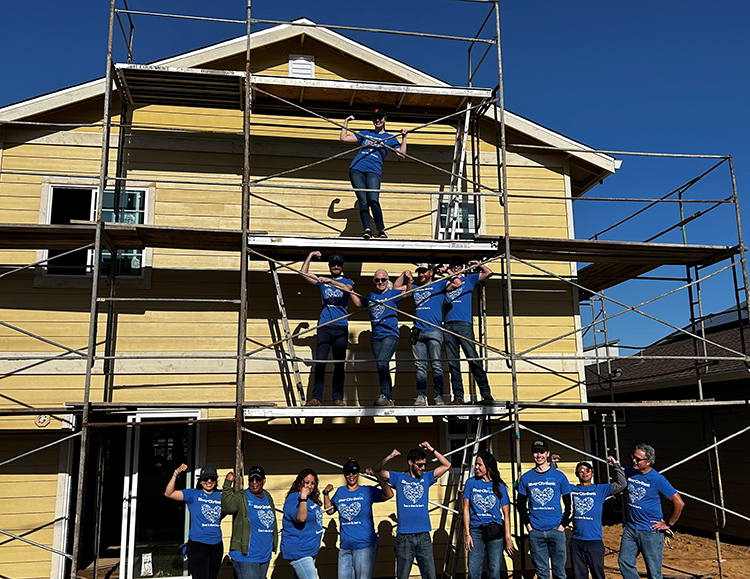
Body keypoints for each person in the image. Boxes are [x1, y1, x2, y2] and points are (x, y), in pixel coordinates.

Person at [372, 442, 452, 579]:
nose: (422, 468)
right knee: (403, 575)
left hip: (423, 535)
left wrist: (432, 449)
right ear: (410, 463)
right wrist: (390, 456)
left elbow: (447, 465)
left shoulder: (426, 478)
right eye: (419, 465)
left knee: (430, 575)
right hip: (404, 537)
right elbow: (376, 470)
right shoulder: (399, 478)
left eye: (424, 465)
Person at [618, 444, 685, 579]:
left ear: (648, 462)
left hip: (651, 531)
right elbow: (618, 475)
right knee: (624, 561)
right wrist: (614, 464)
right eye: (633, 457)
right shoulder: (630, 472)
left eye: (638, 459)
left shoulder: (657, 479)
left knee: (654, 572)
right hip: (631, 529)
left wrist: (669, 524)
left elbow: (679, 502)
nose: (634, 461)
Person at [340, 107, 407, 239]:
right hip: (356, 169)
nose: (378, 120)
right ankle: (367, 230)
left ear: (384, 119)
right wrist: (346, 122)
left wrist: (404, 138)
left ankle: (381, 230)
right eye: (375, 118)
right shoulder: (366, 133)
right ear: (372, 120)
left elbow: (402, 155)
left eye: (380, 118)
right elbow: (344, 139)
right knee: (363, 201)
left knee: (373, 200)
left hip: (374, 171)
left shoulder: (390, 138)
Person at [323, 458, 394, 579]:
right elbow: (330, 510)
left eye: (354, 472)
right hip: (345, 546)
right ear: (345, 475)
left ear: (358, 474)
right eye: (348, 473)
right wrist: (325, 494)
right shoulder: (340, 492)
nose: (351, 476)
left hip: (364, 546)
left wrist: (377, 475)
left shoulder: (366, 490)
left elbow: (389, 494)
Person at [300, 251, 356, 406]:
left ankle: (337, 398)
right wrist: (310, 255)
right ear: (329, 266)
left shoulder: (347, 280)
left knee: (339, 364)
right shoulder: (322, 281)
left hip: (340, 327)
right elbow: (302, 273)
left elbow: (348, 289)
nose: (336, 266)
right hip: (324, 327)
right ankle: (316, 398)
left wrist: (330, 282)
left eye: (338, 264)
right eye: (333, 264)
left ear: (342, 266)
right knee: (320, 363)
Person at [517, 440, 572, 579]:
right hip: (536, 531)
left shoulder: (560, 476)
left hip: (556, 530)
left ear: (547, 454)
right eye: (536, 452)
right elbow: (521, 505)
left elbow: (569, 504)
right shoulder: (526, 478)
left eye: (542, 452)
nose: (539, 455)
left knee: (559, 572)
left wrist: (562, 526)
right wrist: (529, 526)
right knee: (542, 573)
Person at [443, 257, 493, 404]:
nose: (457, 267)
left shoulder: (469, 279)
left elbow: (488, 273)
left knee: (472, 357)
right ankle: (458, 396)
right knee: (453, 362)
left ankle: (485, 392)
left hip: (464, 324)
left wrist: (479, 264)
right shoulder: (445, 282)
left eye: (459, 265)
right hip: (448, 325)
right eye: (454, 265)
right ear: (450, 266)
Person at [359, 268, 413, 406]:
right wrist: (349, 289)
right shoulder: (371, 296)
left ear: (387, 281)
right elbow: (359, 303)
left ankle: (385, 395)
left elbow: (408, 293)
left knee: (382, 362)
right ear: (374, 282)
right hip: (375, 336)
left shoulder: (392, 293)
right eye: (377, 280)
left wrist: (409, 279)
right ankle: (388, 398)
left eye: (383, 279)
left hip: (390, 334)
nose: (380, 282)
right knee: (381, 365)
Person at [570, 456, 626, 579]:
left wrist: (615, 465)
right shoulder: (572, 489)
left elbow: (622, 484)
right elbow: (556, 484)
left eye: (588, 470)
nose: (585, 472)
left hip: (594, 541)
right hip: (576, 540)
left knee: (598, 574)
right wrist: (553, 465)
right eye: (581, 470)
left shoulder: (600, 489)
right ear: (577, 474)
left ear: (593, 474)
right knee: (579, 576)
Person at [165, 463, 224, 579]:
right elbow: (169, 493)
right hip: (198, 546)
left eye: (212, 478)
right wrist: (176, 473)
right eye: (206, 478)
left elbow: (229, 509)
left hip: (216, 546)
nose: (209, 481)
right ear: (201, 481)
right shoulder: (193, 494)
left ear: (216, 480)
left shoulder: (220, 496)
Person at [462, 452, 514, 579]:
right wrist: (467, 534)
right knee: (473, 570)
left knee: (494, 569)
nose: (477, 467)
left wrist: (508, 538)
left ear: (488, 466)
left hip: (495, 530)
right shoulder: (471, 482)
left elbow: (507, 514)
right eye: (476, 465)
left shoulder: (499, 486)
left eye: (480, 465)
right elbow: (466, 509)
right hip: (476, 530)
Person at [222, 466, 278, 579]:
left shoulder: (267, 496)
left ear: (264, 480)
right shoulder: (242, 496)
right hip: (246, 556)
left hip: (264, 556)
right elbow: (228, 507)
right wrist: (227, 484)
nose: (254, 483)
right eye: (251, 480)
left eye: (258, 479)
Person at [408, 263, 449, 406]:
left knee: (436, 364)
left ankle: (438, 396)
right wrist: (406, 277)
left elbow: (456, 283)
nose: (421, 275)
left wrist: (444, 271)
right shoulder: (415, 288)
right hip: (418, 331)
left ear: (430, 273)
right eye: (419, 272)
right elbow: (397, 289)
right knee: (420, 365)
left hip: (434, 330)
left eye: (424, 272)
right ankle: (421, 396)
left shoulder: (439, 285)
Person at [281, 469, 325, 579]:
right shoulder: (294, 499)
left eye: (312, 483)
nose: (309, 486)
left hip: (310, 550)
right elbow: (301, 518)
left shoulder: (310, 499)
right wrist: (303, 498)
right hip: (299, 552)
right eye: (307, 482)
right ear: (300, 482)